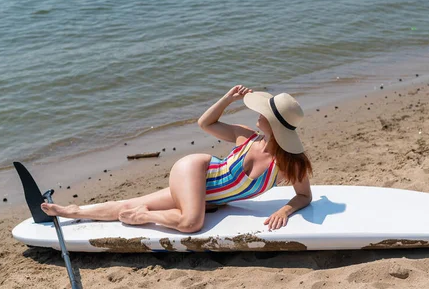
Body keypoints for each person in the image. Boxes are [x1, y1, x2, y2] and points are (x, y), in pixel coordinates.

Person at [41, 85, 313, 233]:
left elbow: (304, 197)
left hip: (204, 196)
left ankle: (73, 212)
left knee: (129, 204)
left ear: (275, 125)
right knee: (191, 223)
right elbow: (206, 123)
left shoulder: (289, 163)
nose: (257, 115)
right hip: (196, 171)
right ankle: (143, 217)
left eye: (263, 113)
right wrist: (226, 99)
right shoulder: (247, 137)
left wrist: (283, 210)